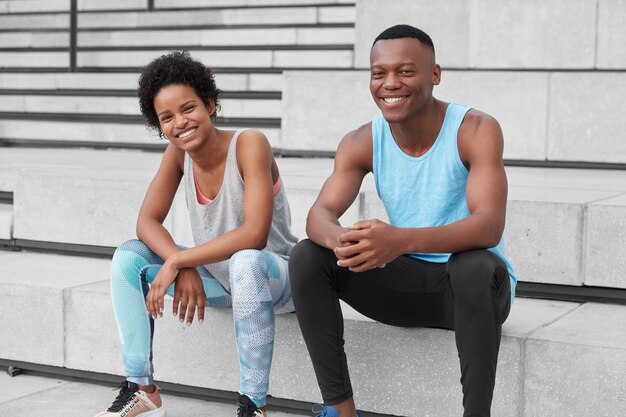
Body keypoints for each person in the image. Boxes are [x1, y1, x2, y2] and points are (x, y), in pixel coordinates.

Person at [289, 24, 516, 417]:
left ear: (434, 74)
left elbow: (488, 226)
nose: (390, 83)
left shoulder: (476, 129)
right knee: (308, 255)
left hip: (473, 293)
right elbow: (319, 216)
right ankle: (340, 410)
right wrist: (346, 240)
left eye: (406, 71)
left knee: (474, 264)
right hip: (403, 286)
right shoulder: (361, 141)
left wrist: (401, 240)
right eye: (379, 73)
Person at [95, 51, 298, 417]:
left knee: (246, 261)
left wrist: (179, 260)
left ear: (210, 103)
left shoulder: (250, 143)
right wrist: (182, 264)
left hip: (275, 277)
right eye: (167, 117)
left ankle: (253, 405)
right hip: (220, 278)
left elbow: (254, 234)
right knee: (129, 255)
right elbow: (147, 222)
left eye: (188, 108)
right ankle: (141, 389)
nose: (180, 123)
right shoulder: (177, 154)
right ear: (159, 126)